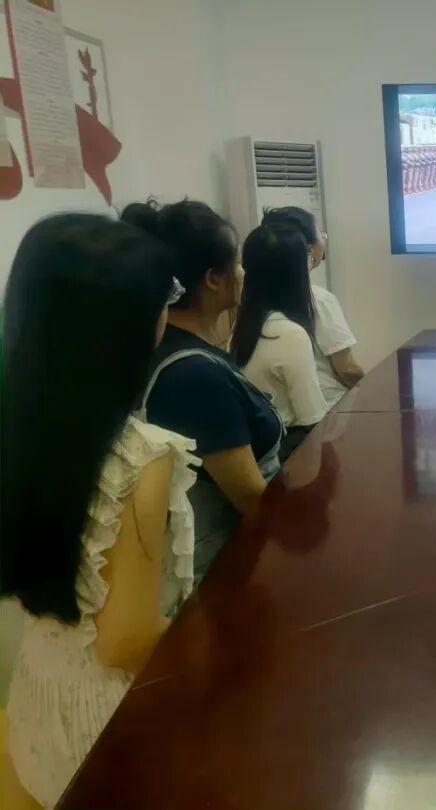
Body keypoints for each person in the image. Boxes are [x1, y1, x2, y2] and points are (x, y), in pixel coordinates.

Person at [1, 214, 198, 808]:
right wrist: (212, 646)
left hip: (38, 695)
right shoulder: (140, 457)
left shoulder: (18, 424)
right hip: (111, 717)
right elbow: (126, 640)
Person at [122, 200, 284, 580]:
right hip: (224, 568)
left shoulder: (180, 347)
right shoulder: (194, 376)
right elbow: (251, 498)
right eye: (237, 262)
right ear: (213, 278)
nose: (243, 273)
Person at [233, 221, 328, 458]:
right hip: (288, 453)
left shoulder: (243, 325)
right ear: (296, 274)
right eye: (306, 257)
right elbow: (312, 418)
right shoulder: (289, 334)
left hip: (261, 449)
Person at [261, 207, 363, 407]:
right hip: (331, 407)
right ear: (308, 249)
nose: (323, 239)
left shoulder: (254, 301)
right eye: (320, 233)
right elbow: (347, 369)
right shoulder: (319, 300)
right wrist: (373, 391)